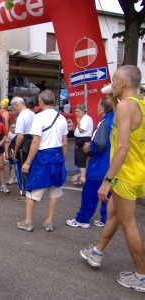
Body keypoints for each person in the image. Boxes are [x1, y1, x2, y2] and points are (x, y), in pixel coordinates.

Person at [80, 65, 145, 293]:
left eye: (115, 80)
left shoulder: (127, 105)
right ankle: (97, 252)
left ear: (124, 83)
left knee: (129, 224)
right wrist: (115, 101)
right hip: (138, 172)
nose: (113, 83)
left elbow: (124, 146)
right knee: (116, 216)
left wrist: (107, 180)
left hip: (124, 174)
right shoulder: (138, 103)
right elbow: (125, 125)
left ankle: (141, 275)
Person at [17, 90, 68, 232]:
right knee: (54, 190)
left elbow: (36, 141)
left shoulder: (39, 118)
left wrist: (27, 162)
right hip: (57, 157)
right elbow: (65, 143)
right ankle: (49, 221)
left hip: (42, 157)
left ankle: (28, 221)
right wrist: (63, 159)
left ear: (41, 101)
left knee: (33, 189)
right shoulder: (62, 118)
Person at [66, 97, 114, 229]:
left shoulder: (105, 122)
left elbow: (99, 144)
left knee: (90, 192)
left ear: (103, 109)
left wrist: (89, 147)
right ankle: (105, 219)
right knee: (107, 193)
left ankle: (83, 219)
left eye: (99, 106)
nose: (97, 109)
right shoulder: (116, 120)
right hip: (111, 163)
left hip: (100, 163)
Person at [10, 97, 35, 201]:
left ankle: (25, 192)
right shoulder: (32, 114)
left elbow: (20, 136)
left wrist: (15, 151)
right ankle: (32, 191)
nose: (13, 109)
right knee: (31, 167)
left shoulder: (21, 116)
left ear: (16, 105)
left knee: (23, 167)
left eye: (12, 107)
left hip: (25, 143)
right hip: (33, 141)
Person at [73, 104, 93, 186]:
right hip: (81, 139)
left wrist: (78, 120)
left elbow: (81, 130)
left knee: (81, 158)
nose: (76, 113)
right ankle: (83, 176)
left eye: (78, 111)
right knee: (81, 158)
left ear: (83, 111)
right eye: (75, 111)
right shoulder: (85, 118)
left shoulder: (85, 119)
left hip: (83, 139)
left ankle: (83, 178)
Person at [5, 120, 17, 185]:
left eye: (15, 127)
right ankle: (11, 178)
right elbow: (6, 144)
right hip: (11, 150)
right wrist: (6, 153)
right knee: (11, 165)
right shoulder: (9, 134)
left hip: (17, 151)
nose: (14, 129)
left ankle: (17, 178)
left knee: (18, 165)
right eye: (12, 128)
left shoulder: (19, 134)